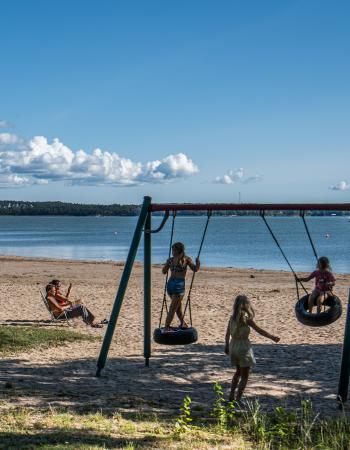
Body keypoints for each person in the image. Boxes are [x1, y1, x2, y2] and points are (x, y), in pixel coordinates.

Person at [225, 295, 280, 403]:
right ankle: (238, 399)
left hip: (233, 345)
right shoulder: (246, 319)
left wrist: (226, 346)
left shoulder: (232, 318)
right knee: (245, 375)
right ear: (246, 305)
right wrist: (272, 337)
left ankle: (231, 395)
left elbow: (227, 334)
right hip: (243, 347)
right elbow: (260, 331)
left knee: (237, 372)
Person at [162, 242, 200, 330]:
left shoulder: (170, 260)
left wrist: (168, 265)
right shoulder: (186, 259)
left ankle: (183, 323)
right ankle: (166, 328)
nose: (172, 252)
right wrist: (198, 263)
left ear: (176, 251)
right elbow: (195, 269)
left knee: (177, 307)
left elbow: (164, 272)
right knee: (173, 308)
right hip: (179, 286)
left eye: (172, 250)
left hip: (170, 285)